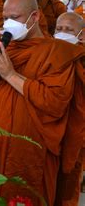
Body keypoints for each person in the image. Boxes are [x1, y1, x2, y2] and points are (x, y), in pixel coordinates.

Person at [0, 0, 85, 205]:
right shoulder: (5, 46)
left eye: (16, 17)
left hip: (30, 148)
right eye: (5, 18)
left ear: (35, 16)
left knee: (23, 194)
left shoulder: (57, 53)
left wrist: (10, 74)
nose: (9, 23)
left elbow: (54, 102)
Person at [54, 12, 84, 206]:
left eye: (69, 30)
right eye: (59, 29)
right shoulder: (48, 52)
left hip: (75, 126)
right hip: (50, 124)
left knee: (69, 174)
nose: (63, 33)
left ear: (81, 34)